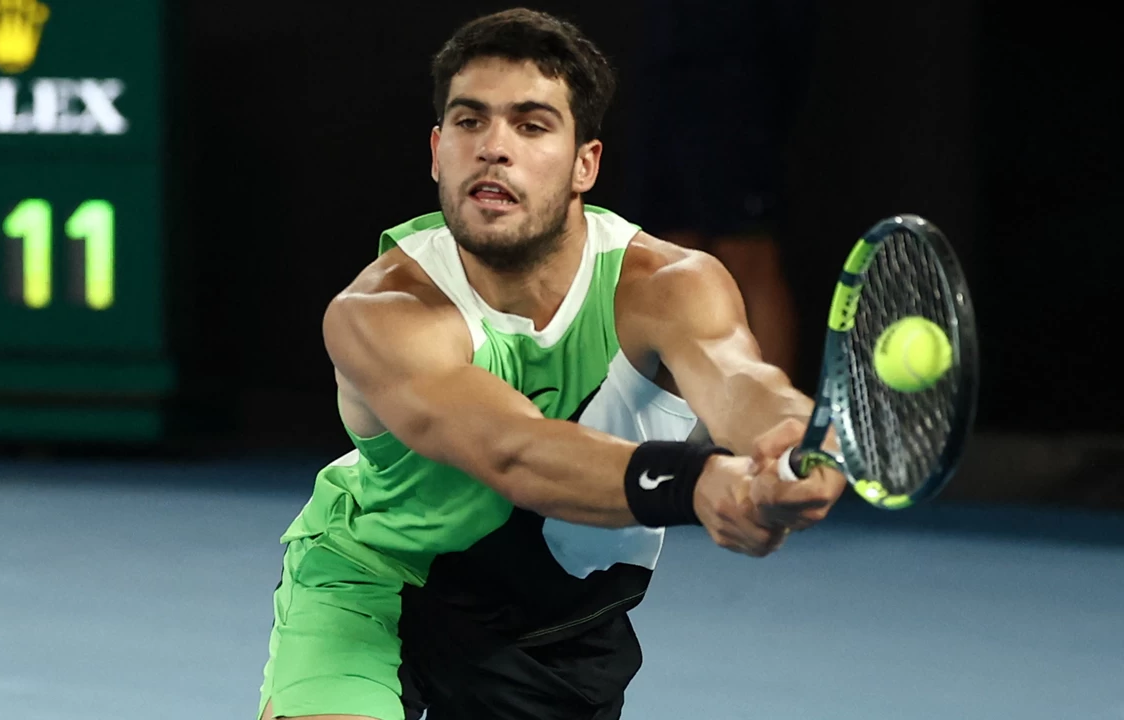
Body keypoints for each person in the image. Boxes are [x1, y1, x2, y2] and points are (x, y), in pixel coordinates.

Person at [258, 8, 844, 720]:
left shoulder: (669, 285)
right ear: (438, 152)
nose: (494, 149)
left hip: (561, 634)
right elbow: (515, 454)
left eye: (531, 126)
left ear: (584, 164)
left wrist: (788, 433)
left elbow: (741, 382)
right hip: (377, 594)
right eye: (470, 122)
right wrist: (694, 484)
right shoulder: (379, 312)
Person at [627, 0, 819, 381]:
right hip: (665, 71)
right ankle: (681, 422)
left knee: (747, 252)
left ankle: (777, 423)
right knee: (668, 256)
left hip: (737, 75)